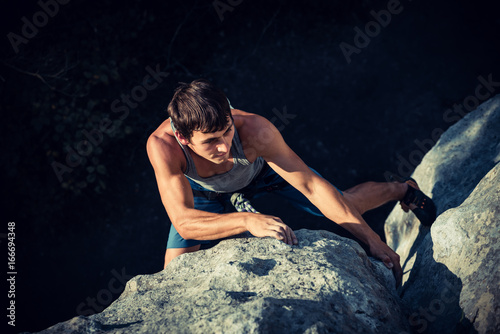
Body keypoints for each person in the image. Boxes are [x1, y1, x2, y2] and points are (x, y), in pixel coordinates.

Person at [146, 79, 436, 286]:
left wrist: (373, 241)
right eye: (210, 141)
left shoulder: (255, 129)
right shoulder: (164, 146)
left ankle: (403, 189)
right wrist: (246, 221)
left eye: (226, 131)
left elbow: (310, 186)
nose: (223, 147)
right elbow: (184, 221)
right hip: (204, 193)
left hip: (260, 173)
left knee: (348, 206)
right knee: (173, 275)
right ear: (184, 138)